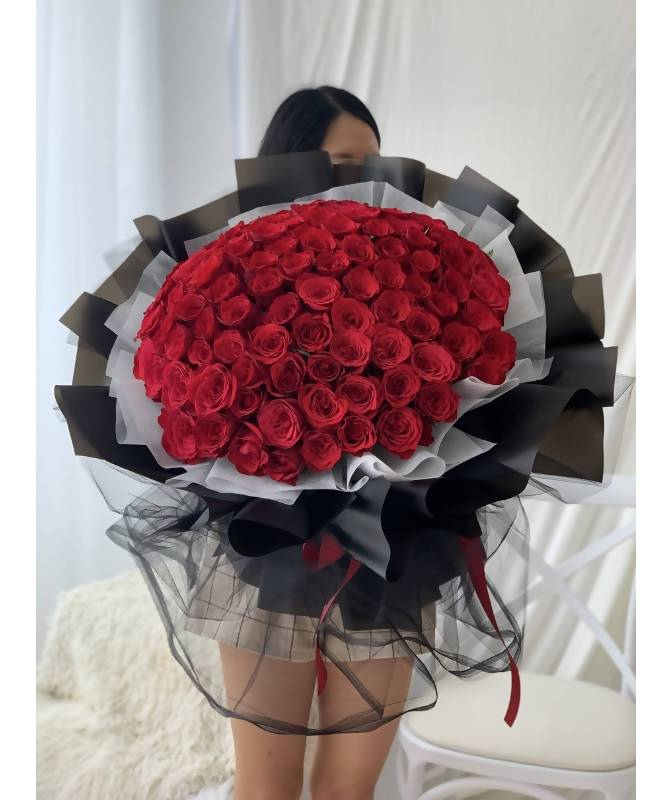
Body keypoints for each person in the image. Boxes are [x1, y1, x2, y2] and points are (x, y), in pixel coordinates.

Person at [217, 87, 404, 800]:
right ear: (289, 164)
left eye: (374, 164)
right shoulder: (234, 271)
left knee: (348, 793)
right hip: (273, 548)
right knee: (265, 789)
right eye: (345, 163)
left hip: (392, 551)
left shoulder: (408, 269)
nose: (365, 180)